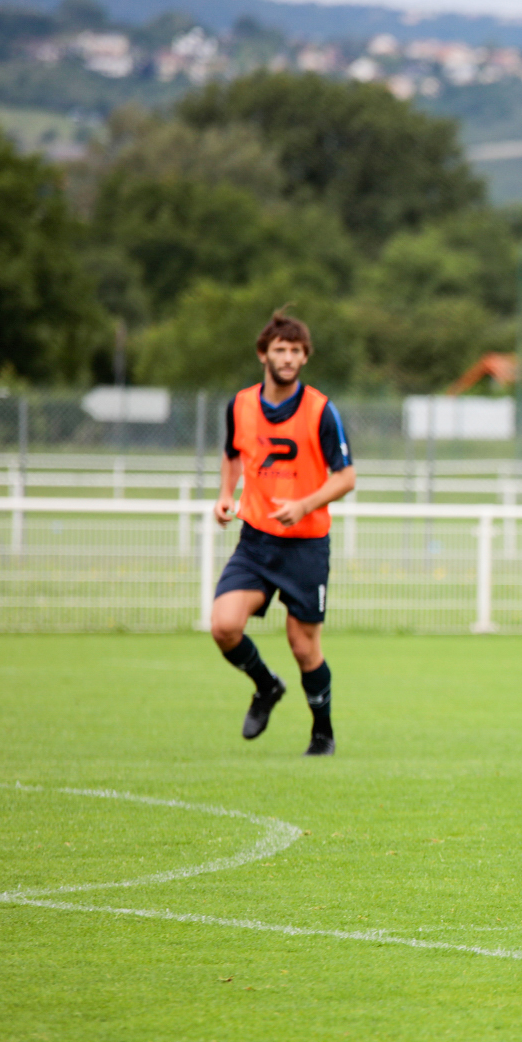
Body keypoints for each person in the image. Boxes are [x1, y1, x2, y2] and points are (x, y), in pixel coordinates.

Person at [210, 311, 356, 756]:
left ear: (305, 357)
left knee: (303, 645)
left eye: (296, 351)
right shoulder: (240, 405)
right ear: (263, 354)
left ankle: (322, 732)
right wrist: (224, 495)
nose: (288, 358)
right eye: (280, 350)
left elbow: (346, 477)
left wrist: (305, 504)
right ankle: (266, 686)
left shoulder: (321, 410)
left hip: (307, 545)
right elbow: (234, 453)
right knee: (224, 626)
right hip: (255, 539)